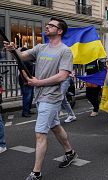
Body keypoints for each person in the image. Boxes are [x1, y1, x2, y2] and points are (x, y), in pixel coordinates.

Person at [4, 17, 78, 180]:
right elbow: (22, 56)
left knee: (40, 133)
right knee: (55, 126)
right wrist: (13, 49)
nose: (47, 26)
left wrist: (39, 82)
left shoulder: (65, 51)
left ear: (60, 31)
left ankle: (36, 173)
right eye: (48, 24)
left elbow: (62, 76)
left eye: (52, 25)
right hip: (40, 95)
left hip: (51, 96)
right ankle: (70, 152)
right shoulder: (41, 47)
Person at [18, 47, 35, 117]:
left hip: (29, 80)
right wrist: (27, 80)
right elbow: (23, 71)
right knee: (27, 96)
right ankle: (25, 112)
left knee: (30, 96)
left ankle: (28, 110)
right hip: (25, 81)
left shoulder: (26, 60)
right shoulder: (23, 60)